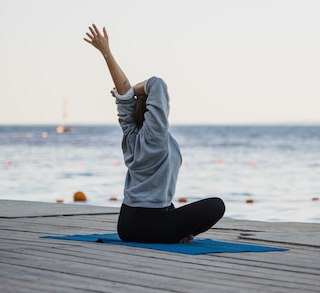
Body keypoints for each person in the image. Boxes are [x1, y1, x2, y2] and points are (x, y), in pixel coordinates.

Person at [84, 24, 225, 243]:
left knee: (172, 210)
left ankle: (176, 232)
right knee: (217, 205)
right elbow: (156, 84)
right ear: (155, 110)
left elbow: (124, 102)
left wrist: (107, 54)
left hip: (127, 223)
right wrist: (136, 90)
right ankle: (175, 235)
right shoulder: (155, 136)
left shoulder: (130, 133)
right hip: (149, 223)